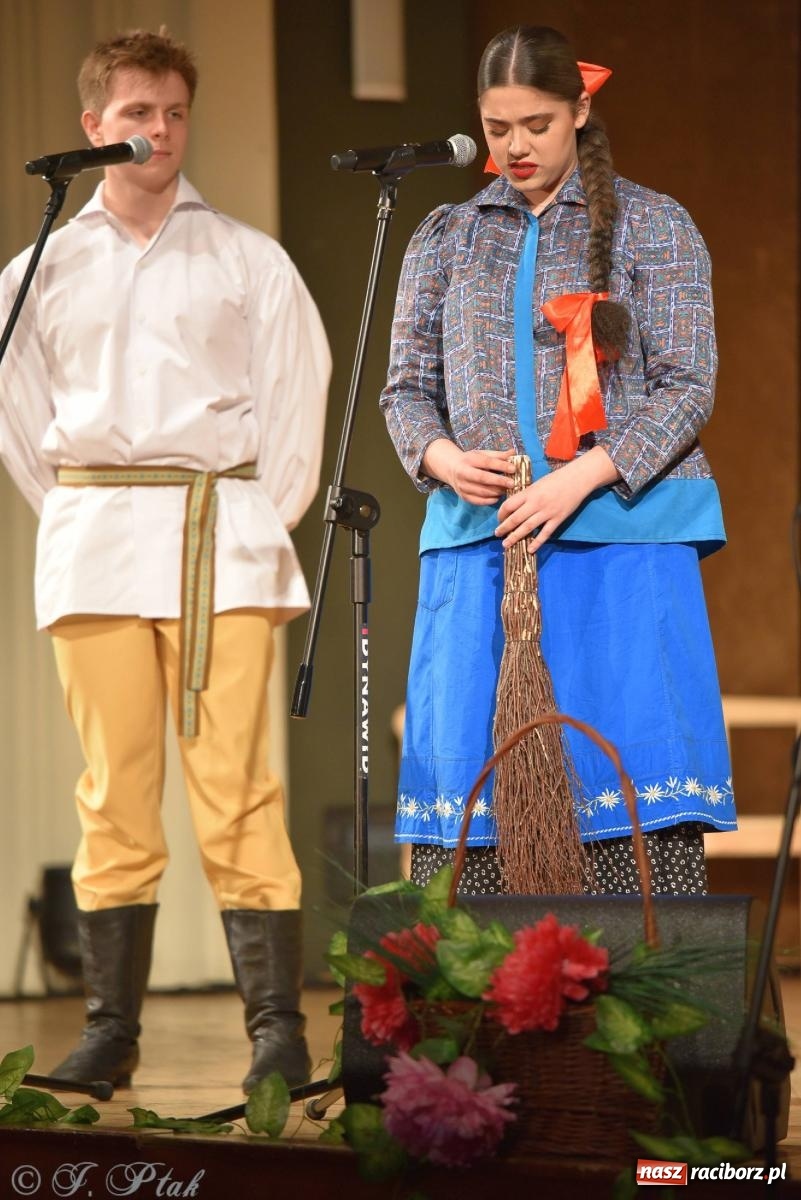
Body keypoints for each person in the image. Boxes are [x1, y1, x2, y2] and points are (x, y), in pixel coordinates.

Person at [0, 29, 330, 1092]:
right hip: (97, 546)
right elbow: (19, 420)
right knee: (113, 792)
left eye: (174, 113)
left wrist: (244, 522)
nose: (157, 131)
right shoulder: (38, 270)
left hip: (217, 544)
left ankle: (277, 1030)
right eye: (136, 113)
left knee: (238, 787)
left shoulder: (244, 257)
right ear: (93, 126)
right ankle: (109, 1030)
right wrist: (85, 517)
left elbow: (295, 407)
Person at [381, 25, 735, 897]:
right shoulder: (445, 236)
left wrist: (583, 475)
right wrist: (440, 457)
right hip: (482, 542)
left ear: (580, 110)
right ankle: (480, 1022)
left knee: (622, 782)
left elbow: (688, 385)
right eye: (498, 127)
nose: (515, 146)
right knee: (477, 787)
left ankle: (637, 1013)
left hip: (620, 540)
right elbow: (403, 390)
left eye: (536, 124)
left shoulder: (654, 224)